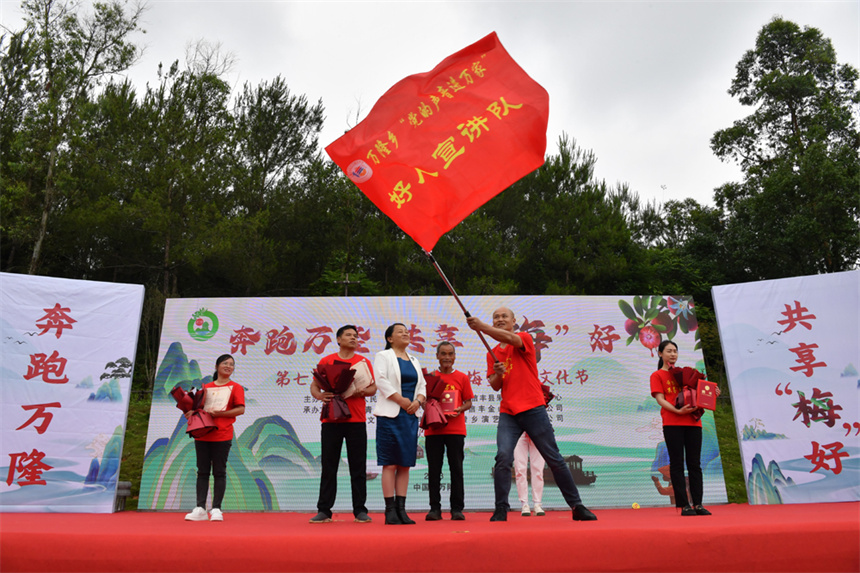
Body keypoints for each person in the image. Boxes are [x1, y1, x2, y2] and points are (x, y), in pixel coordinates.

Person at [467, 307, 597, 522]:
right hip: (509, 412)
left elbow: (510, 339)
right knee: (503, 458)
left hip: (533, 408)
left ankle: (577, 506)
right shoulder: (492, 353)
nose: (499, 319)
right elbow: (494, 385)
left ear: (513, 321)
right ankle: (501, 508)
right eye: (496, 317)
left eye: (503, 317)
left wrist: (482, 327)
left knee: (553, 457)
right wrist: (498, 375)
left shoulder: (523, 338)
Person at [309, 325, 377, 524]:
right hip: (331, 420)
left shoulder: (362, 362)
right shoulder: (327, 360)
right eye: (348, 335)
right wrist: (320, 395)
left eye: (356, 336)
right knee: (329, 465)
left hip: (356, 420)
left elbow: (373, 387)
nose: (353, 338)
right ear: (338, 339)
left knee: (358, 466)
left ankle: (360, 511)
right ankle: (324, 510)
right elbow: (314, 385)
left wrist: (360, 392)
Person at [650, 339, 719, 516]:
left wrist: (713, 393)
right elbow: (660, 399)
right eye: (669, 351)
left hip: (694, 423)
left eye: (675, 351)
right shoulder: (657, 375)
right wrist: (677, 411)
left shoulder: (687, 375)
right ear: (660, 354)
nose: (673, 354)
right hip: (673, 423)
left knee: (695, 464)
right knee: (677, 464)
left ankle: (698, 503)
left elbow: (701, 394)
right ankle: (684, 505)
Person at [373, 323, 427, 525]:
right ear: (389, 338)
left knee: (405, 464)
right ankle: (390, 510)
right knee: (390, 463)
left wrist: (418, 401)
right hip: (390, 415)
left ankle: (402, 510)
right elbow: (381, 381)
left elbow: (422, 385)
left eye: (407, 331)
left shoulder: (414, 359)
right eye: (400, 332)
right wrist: (402, 401)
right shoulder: (383, 356)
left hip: (410, 416)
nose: (405, 334)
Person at [184, 354, 245, 522]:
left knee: (219, 472)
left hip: (222, 434)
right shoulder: (206, 387)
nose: (229, 366)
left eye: (232, 364)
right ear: (217, 366)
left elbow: (240, 410)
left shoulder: (236, 387)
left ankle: (216, 509)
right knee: (202, 472)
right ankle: (200, 508)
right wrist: (189, 412)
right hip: (203, 435)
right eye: (225, 363)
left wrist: (220, 414)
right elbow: (197, 409)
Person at [424, 342, 474, 521]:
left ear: (454, 357)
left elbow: (468, 401)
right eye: (443, 353)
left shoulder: (462, 377)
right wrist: (429, 406)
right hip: (434, 429)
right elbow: (423, 400)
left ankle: (457, 509)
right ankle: (434, 509)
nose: (447, 357)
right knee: (434, 470)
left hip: (456, 429)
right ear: (437, 356)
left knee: (456, 469)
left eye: (450, 354)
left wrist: (460, 408)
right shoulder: (429, 377)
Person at [514, 433, 545, 516]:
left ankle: (537, 504)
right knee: (520, 470)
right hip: (519, 431)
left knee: (538, 470)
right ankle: (524, 504)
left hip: (537, 430)